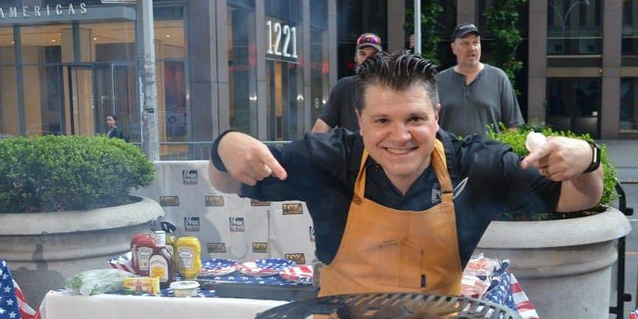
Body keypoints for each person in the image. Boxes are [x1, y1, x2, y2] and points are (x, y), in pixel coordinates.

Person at [208, 51, 603, 296]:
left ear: (436, 116)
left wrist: (589, 158)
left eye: (415, 119)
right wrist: (225, 146)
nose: (400, 137)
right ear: (360, 120)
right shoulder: (330, 158)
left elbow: (579, 198)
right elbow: (225, 180)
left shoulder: (476, 165)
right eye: (382, 120)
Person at [436, 23, 524, 138]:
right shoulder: (439, 81)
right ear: (453, 48)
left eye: (475, 42)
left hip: (489, 149)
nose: (471, 48)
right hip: (448, 149)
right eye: (465, 43)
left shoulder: (498, 78)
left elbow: (513, 125)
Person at [311, 33, 383, 134]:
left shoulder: (390, 87)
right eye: (362, 54)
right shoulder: (344, 86)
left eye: (372, 55)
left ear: (381, 58)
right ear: (355, 57)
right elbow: (319, 131)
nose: (367, 59)